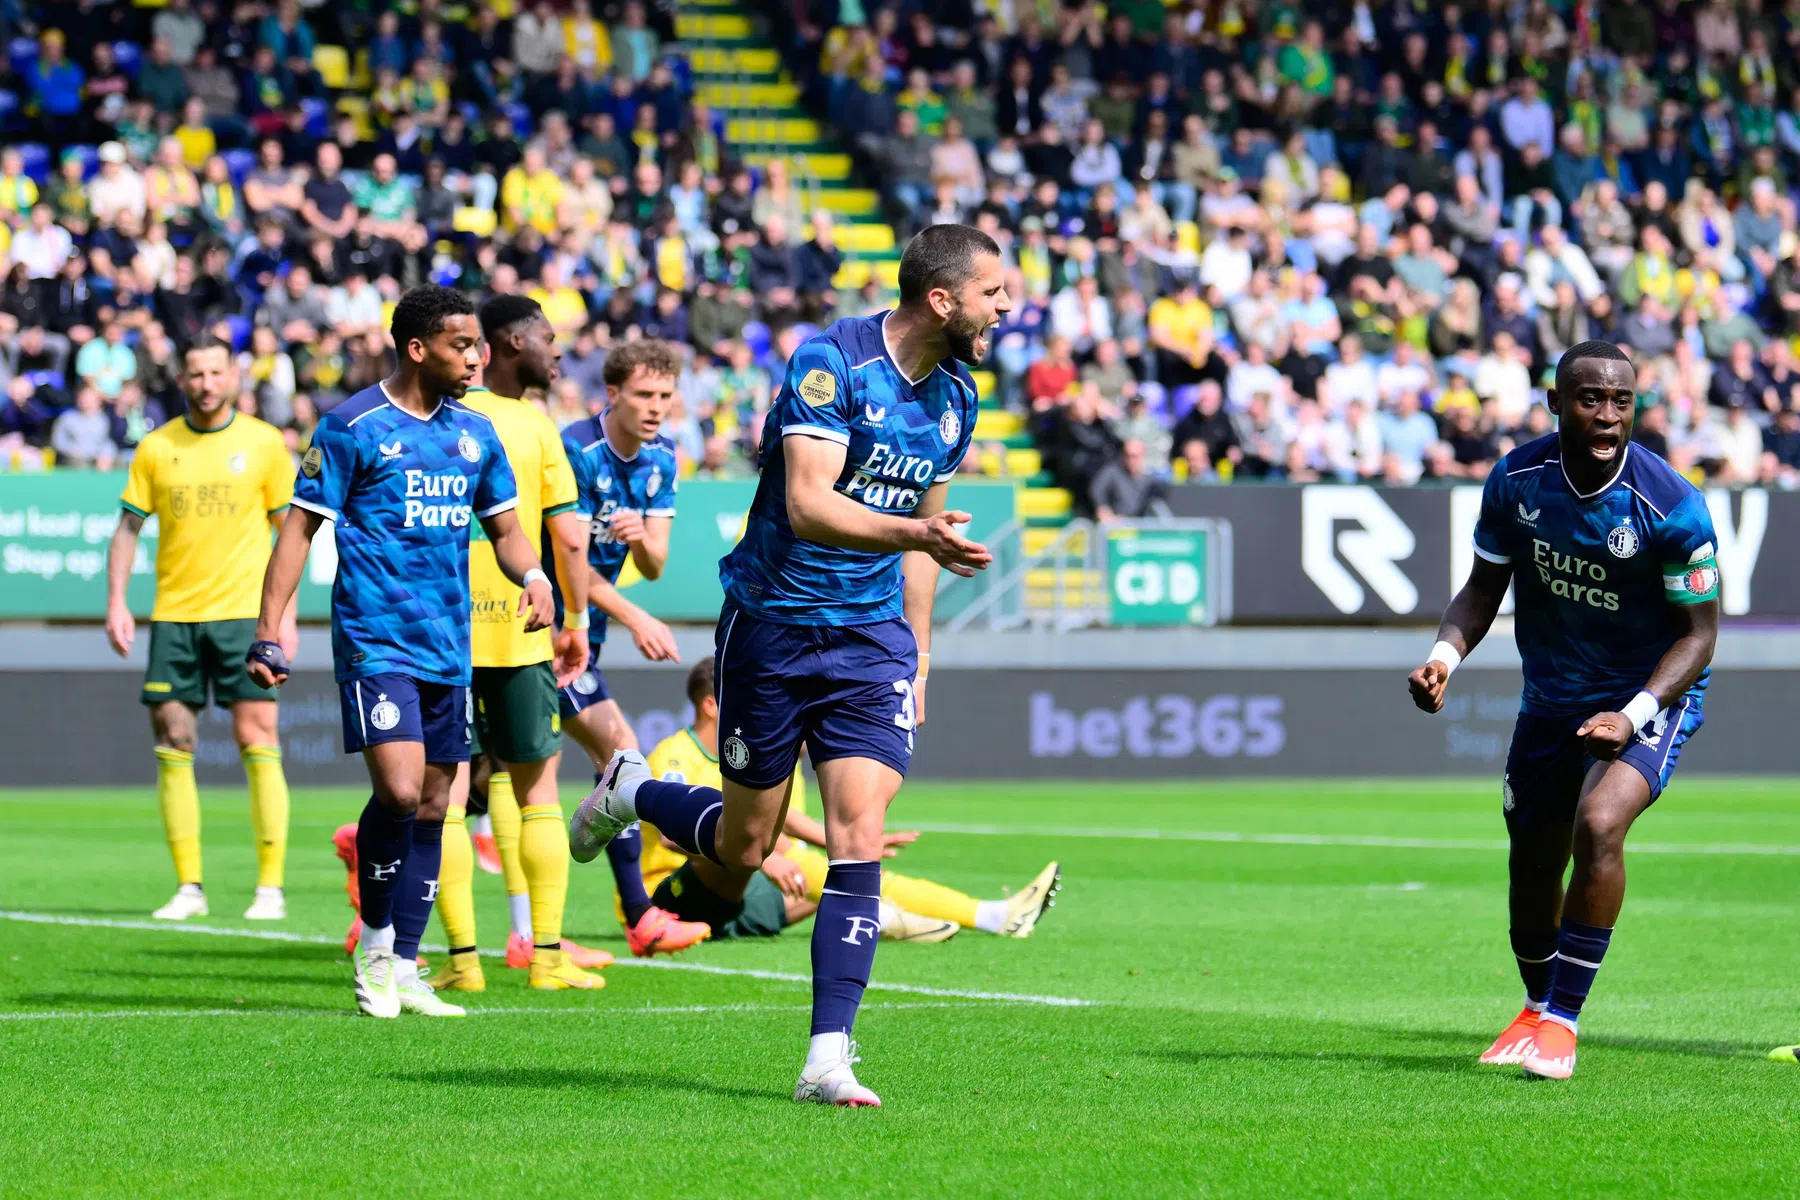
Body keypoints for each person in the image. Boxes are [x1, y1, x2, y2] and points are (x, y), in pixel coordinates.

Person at [568, 223, 1003, 1108]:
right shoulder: (830, 363)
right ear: (942, 299)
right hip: (772, 626)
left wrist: (920, 654)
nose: (1006, 310)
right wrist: (915, 533)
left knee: (857, 834)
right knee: (746, 844)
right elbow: (808, 505)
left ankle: (827, 1058)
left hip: (871, 639)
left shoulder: (957, 396)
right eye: (993, 294)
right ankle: (633, 790)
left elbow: (931, 542)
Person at [1407, 341, 1720, 1081]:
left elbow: (1700, 636)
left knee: (1599, 823)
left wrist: (1634, 712)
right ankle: (1534, 1009)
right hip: (1550, 699)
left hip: (1648, 693)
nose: (1608, 415)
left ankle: (1563, 1024)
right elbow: (1482, 588)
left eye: (1621, 401)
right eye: (1590, 399)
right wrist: (1443, 657)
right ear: (1555, 403)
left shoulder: (1672, 505)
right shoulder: (1517, 480)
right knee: (1532, 859)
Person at [246, 285, 554, 1020]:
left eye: (479, 345)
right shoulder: (351, 426)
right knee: (401, 792)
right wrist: (269, 627)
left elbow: (507, 531)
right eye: (462, 346)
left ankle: (406, 965)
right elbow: (299, 530)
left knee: (439, 802)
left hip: (450, 643)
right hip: (375, 638)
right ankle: (377, 948)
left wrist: (536, 575)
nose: (477, 358)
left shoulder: (476, 434)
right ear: (417, 349)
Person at [361, 293, 603, 993]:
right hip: (521, 629)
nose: (558, 350)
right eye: (547, 337)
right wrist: (576, 620)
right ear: (510, 344)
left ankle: (462, 960)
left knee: (446, 797)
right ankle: (547, 956)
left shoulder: (440, 416)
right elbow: (568, 536)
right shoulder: (532, 425)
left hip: (441, 631)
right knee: (537, 792)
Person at [641, 658, 1060, 944]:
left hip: (743, 898)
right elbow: (670, 837)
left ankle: (970, 915)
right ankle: (907, 919)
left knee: (847, 869)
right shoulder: (675, 755)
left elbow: (782, 820)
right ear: (711, 705)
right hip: (670, 896)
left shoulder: (753, 750)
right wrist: (767, 860)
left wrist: (847, 842)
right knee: (776, 851)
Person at [103, 337, 296, 922]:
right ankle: (189, 886)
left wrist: (283, 619)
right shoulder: (157, 446)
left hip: (243, 616)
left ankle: (270, 888)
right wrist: (117, 602)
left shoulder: (264, 442)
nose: (206, 383)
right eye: (196, 373)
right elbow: (127, 529)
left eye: (215, 372)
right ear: (182, 379)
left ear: (233, 377)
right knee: (173, 740)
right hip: (174, 617)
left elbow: (290, 536)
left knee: (257, 737)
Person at [557, 338, 712, 959]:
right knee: (619, 757)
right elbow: (562, 559)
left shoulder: (663, 457)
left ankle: (373, 850)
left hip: (581, 634)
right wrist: (634, 615)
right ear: (612, 393)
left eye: (665, 396)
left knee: (484, 777)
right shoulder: (574, 450)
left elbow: (653, 564)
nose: (656, 407)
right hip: (538, 626)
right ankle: (638, 915)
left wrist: (639, 533)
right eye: (644, 394)